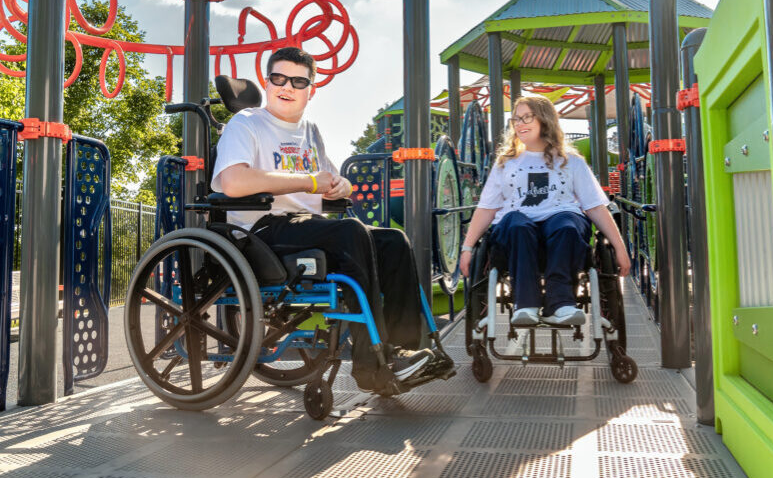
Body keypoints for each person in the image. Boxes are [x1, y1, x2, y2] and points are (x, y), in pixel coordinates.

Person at [210, 46, 450, 394]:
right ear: (267, 80)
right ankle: (372, 362)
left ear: (311, 89)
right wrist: (308, 182)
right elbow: (233, 182)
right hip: (261, 231)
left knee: (393, 241)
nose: (286, 87)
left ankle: (406, 349)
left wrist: (342, 185)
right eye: (278, 78)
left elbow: (332, 182)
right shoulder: (246, 123)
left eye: (297, 81)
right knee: (350, 231)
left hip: (307, 226)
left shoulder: (310, 131)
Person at [459, 95, 630, 326]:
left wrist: (619, 248)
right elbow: (486, 209)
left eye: (526, 117)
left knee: (568, 225)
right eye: (516, 119)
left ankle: (560, 304)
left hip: (561, 231)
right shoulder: (505, 163)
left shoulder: (572, 162)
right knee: (516, 223)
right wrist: (468, 248)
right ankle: (526, 304)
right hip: (516, 237)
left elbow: (595, 208)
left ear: (544, 120)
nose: (519, 123)